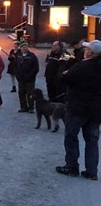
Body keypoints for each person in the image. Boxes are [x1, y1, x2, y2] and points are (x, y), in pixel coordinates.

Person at [56, 40, 101, 181]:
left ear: (91, 53)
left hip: (78, 108)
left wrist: (65, 66)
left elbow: (64, 79)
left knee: (71, 136)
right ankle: (91, 171)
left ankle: (71, 166)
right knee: (92, 140)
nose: (85, 51)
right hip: (96, 111)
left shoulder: (83, 66)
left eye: (87, 49)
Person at [16, 42, 39, 113]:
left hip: (30, 79)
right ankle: (23, 107)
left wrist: (30, 76)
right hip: (21, 79)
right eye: (23, 47)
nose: (24, 48)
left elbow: (36, 68)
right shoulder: (18, 56)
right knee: (21, 93)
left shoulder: (32, 56)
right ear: (20, 48)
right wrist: (18, 76)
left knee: (30, 93)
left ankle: (31, 107)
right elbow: (15, 67)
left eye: (25, 47)